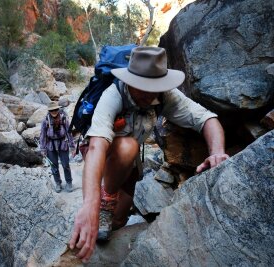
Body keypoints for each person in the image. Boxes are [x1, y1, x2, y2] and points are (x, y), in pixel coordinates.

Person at [69, 47, 229, 262]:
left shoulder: (164, 96)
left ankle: (108, 221)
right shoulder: (112, 94)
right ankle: (105, 200)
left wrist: (217, 153)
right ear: (130, 80)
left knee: (117, 222)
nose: (149, 94)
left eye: (154, 87)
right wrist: (91, 205)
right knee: (128, 147)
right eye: (142, 87)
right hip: (105, 159)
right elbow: (97, 146)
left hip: (128, 165)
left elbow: (207, 119)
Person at [40, 101, 76, 193]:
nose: (54, 112)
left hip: (63, 144)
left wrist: (72, 147)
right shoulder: (45, 120)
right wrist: (43, 149)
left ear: (58, 109)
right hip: (50, 146)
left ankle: (69, 182)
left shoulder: (64, 118)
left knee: (65, 165)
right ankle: (58, 183)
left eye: (55, 109)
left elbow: (69, 133)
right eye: (52, 110)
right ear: (49, 111)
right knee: (54, 166)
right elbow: (43, 135)